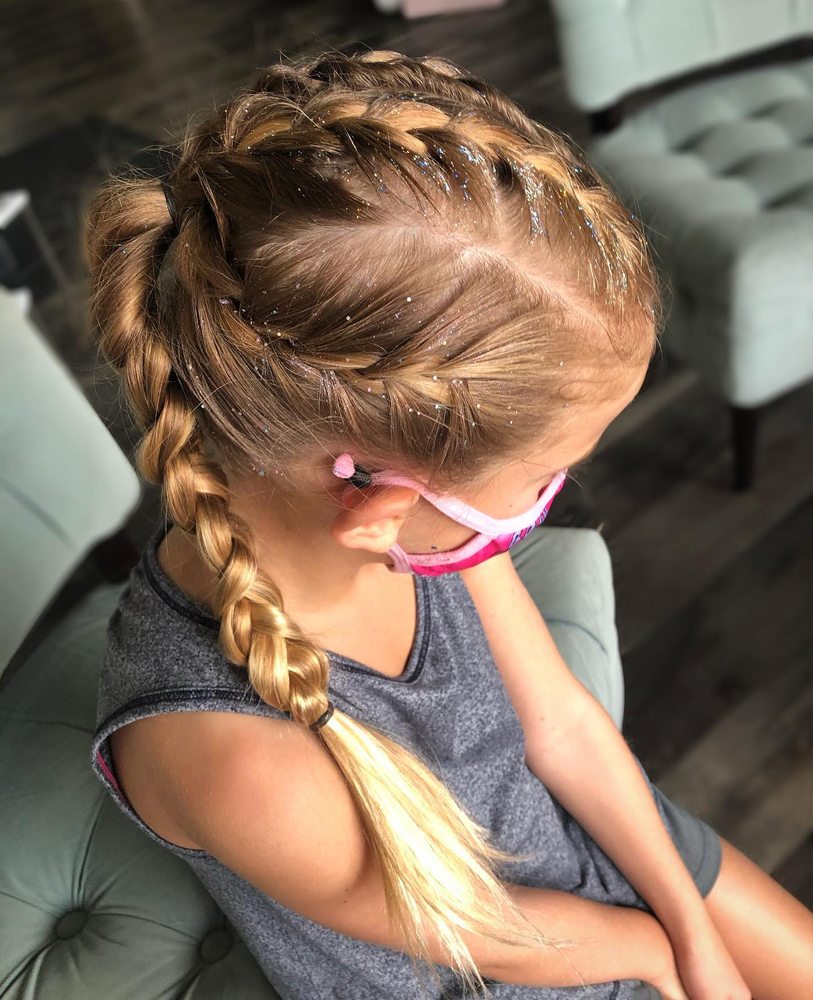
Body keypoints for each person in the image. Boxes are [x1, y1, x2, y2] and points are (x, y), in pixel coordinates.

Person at [84, 48, 813, 1000]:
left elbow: (561, 725)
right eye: (542, 475)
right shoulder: (233, 760)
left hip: (592, 851)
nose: (551, 496)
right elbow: (490, 935)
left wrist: (689, 923)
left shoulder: (418, 519)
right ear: (377, 504)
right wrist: (655, 955)